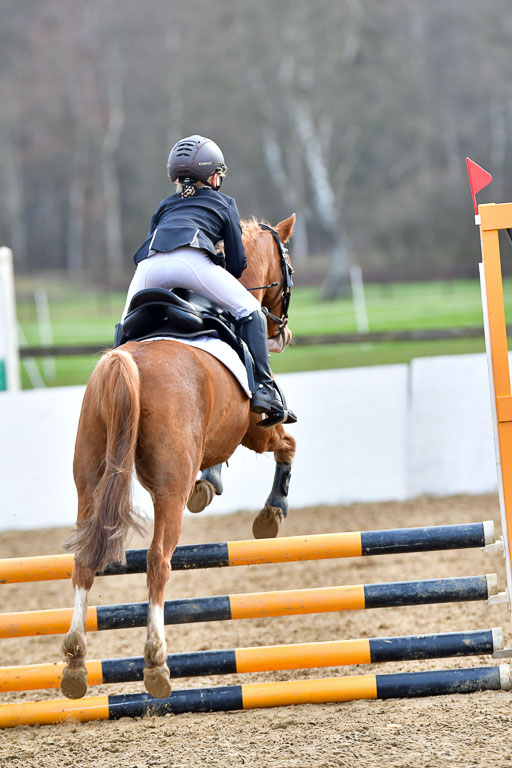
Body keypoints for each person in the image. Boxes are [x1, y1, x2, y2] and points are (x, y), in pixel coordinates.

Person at [121, 134, 295, 428]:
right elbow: (239, 264)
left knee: (126, 327)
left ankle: (115, 385)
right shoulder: (225, 203)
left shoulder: (164, 206)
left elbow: (152, 240)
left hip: (149, 268)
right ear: (213, 175)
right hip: (192, 262)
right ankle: (265, 389)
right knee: (249, 311)